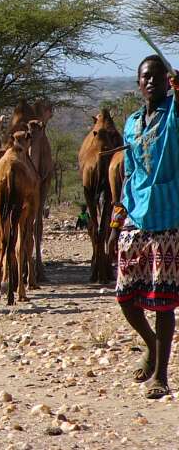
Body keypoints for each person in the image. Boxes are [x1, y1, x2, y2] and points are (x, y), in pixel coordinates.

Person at [109, 54, 179, 399]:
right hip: (135, 214)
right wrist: (116, 220)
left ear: (168, 81)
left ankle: (161, 376)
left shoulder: (174, 114)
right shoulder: (132, 122)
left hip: (168, 215)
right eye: (144, 77)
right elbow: (130, 172)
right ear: (138, 83)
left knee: (164, 301)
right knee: (125, 295)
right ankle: (151, 345)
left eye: (156, 76)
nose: (150, 81)